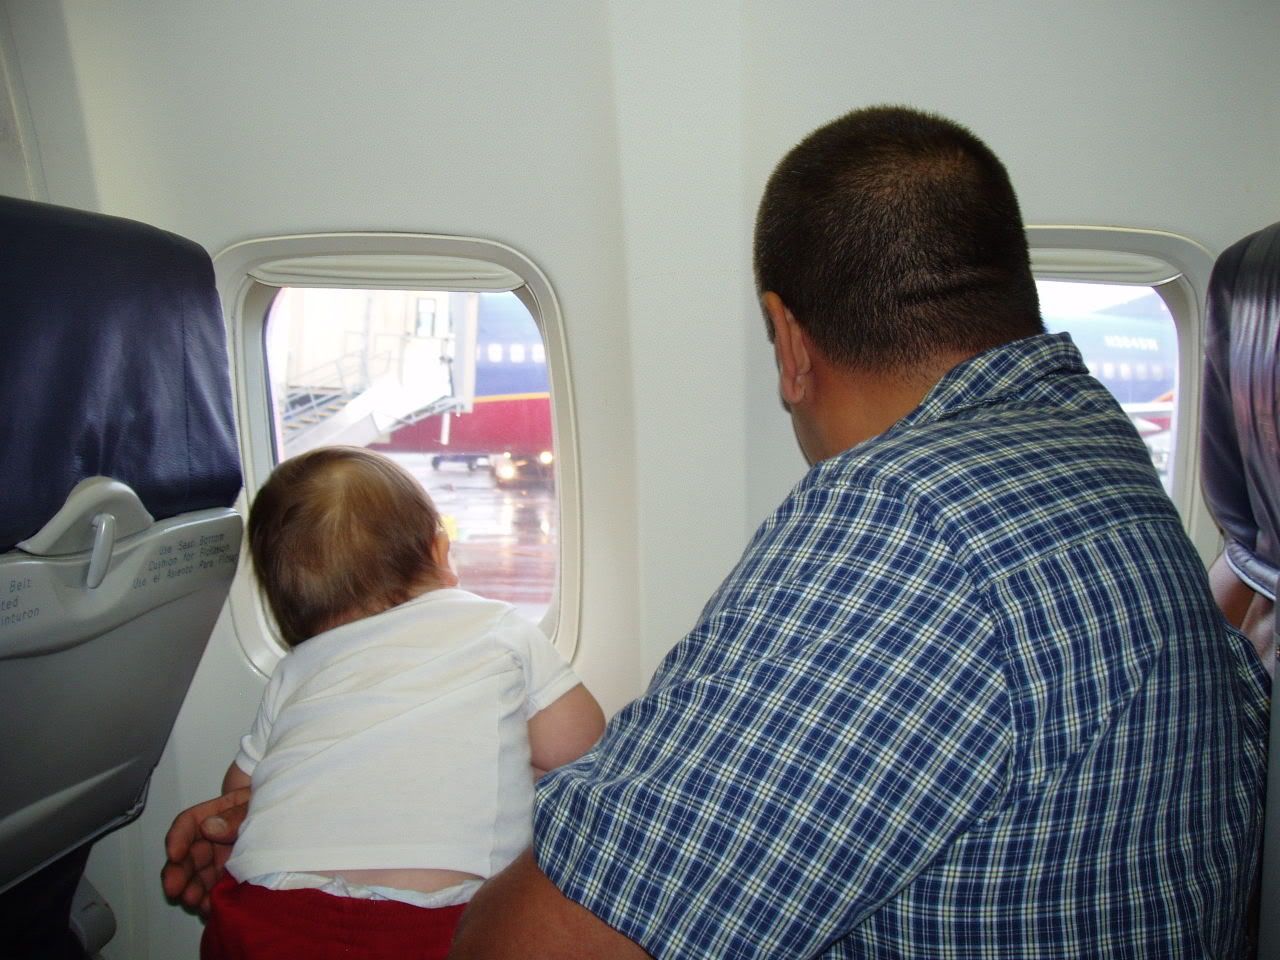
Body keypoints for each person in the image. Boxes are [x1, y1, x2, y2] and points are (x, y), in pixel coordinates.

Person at [167, 106, 1268, 958]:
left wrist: (322, 851)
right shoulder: (1097, 451)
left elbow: (544, 946)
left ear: (788, 340)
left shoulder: (908, 528)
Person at [187, 446, 604, 959]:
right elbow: (580, 746)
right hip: (430, 920)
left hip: (265, 909)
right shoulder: (496, 626)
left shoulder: (295, 669)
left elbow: (239, 792)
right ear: (439, 551)